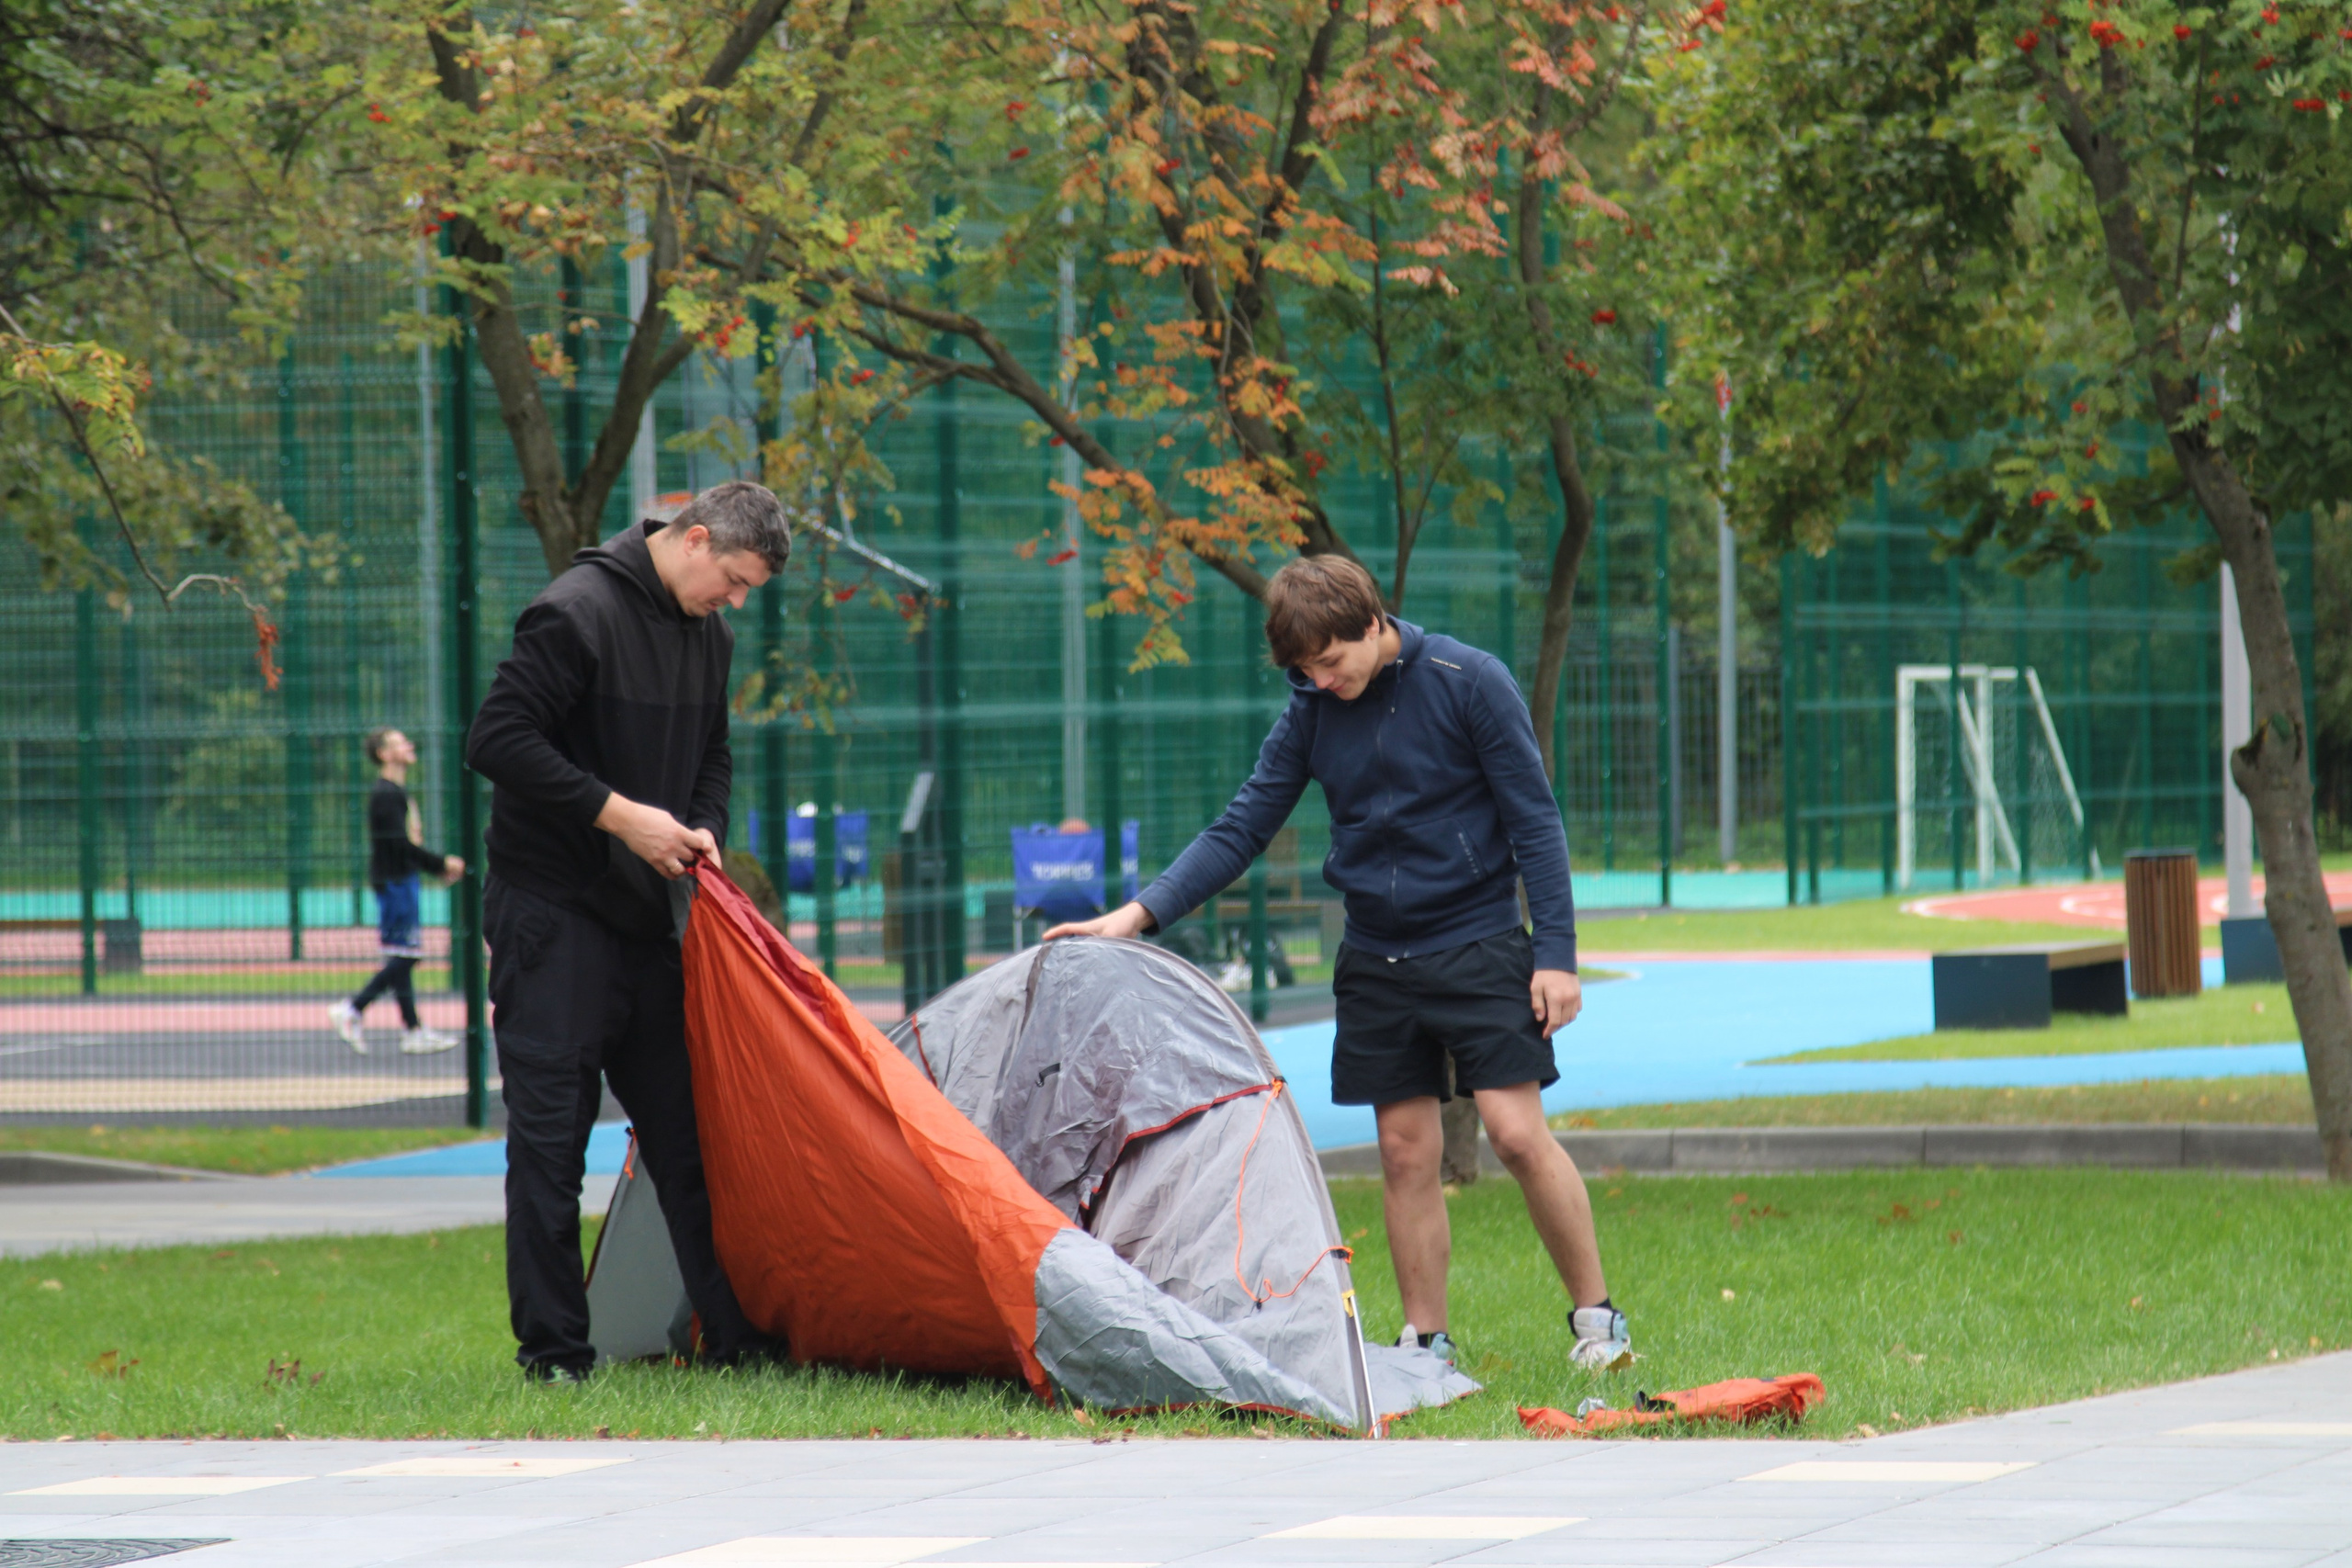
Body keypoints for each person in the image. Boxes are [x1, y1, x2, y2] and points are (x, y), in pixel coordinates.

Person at [1046, 555, 1632, 1371]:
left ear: (1372, 621)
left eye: (1330, 661)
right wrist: (1137, 915)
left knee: (1516, 1133)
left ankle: (1598, 1321)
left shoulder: (1471, 680)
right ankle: (1427, 1340)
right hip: (1375, 957)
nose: (1321, 681)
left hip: (1479, 940)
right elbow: (1240, 827)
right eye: (1303, 669)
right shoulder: (1312, 712)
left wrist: (1557, 955)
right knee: (1402, 1148)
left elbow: (1536, 820)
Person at [465, 479, 791, 1382]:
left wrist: (701, 823)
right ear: (691, 539)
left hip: (644, 924)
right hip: (550, 918)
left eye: (747, 591)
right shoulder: (574, 614)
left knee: (689, 1140)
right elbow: (495, 740)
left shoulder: (707, 636)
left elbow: (712, 753)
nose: (734, 602)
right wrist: (622, 817)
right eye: (730, 579)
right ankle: (556, 1354)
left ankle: (730, 1337)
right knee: (551, 1144)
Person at [329, 728, 464, 1055]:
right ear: (385, 754)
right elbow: (399, 844)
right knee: (408, 955)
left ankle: (413, 1029)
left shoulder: (396, 792)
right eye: (399, 743)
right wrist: (441, 864)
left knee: (402, 954)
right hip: (394, 883)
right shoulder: (386, 794)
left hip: (402, 880)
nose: (409, 746)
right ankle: (353, 1009)